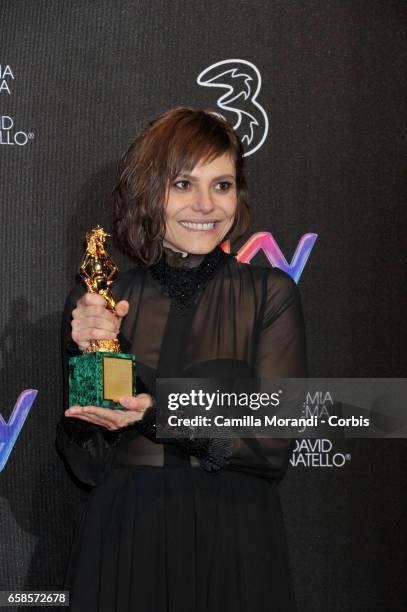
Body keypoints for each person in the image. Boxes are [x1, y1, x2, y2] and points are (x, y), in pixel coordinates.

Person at [56, 106, 308, 612]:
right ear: (150, 192)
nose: (206, 205)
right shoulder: (102, 301)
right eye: (183, 184)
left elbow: (271, 445)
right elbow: (89, 462)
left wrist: (153, 412)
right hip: (125, 544)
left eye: (222, 185)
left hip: (234, 542)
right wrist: (93, 361)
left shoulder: (269, 295)